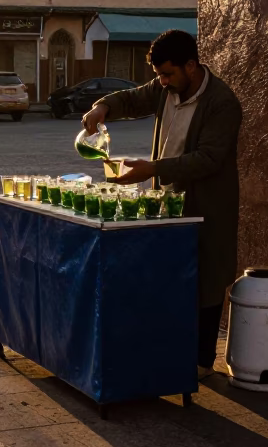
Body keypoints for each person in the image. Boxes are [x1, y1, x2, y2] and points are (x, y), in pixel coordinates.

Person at [81, 30, 242, 381]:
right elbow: (133, 98)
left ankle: (201, 361)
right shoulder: (164, 89)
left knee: (206, 281)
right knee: (171, 276)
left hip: (207, 205)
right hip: (166, 203)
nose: (163, 81)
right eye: (159, 76)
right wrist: (103, 106)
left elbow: (208, 159)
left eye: (168, 74)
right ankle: (171, 347)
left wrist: (151, 168)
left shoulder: (222, 102)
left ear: (191, 65)